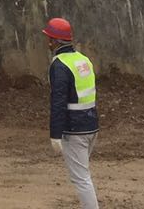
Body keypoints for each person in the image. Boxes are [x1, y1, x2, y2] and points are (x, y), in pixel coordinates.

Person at [45, 17, 99, 209]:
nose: (47, 42)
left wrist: (55, 134)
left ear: (55, 41)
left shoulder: (59, 65)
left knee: (82, 179)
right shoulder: (83, 60)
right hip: (91, 125)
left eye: (49, 38)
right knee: (83, 175)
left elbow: (58, 101)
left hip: (74, 130)